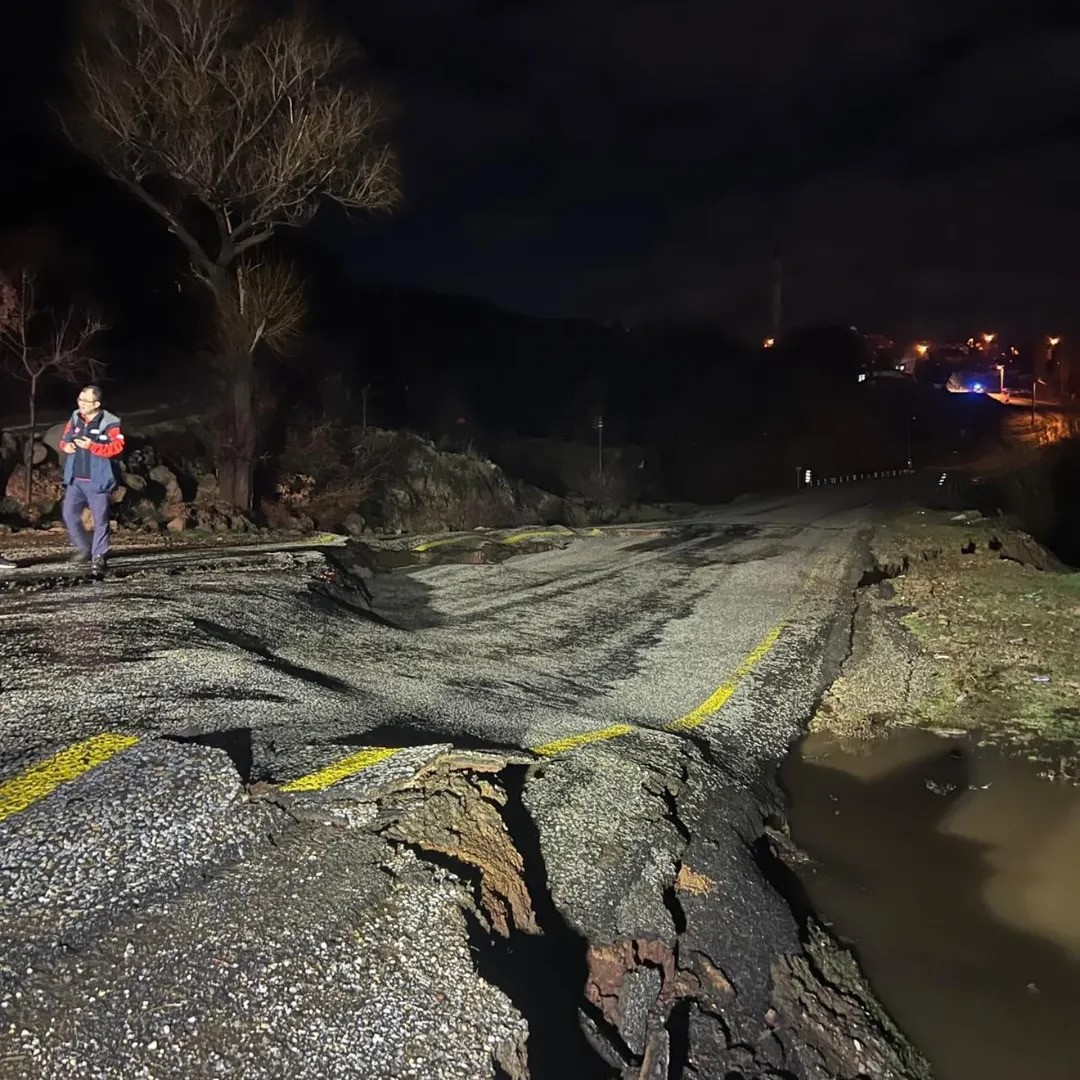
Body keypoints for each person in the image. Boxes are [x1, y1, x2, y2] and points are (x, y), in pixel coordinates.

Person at [59, 386, 125, 574]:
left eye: (85, 401)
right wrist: (66, 446)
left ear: (96, 404)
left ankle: (99, 556)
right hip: (75, 479)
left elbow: (117, 447)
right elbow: (64, 439)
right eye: (79, 400)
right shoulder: (75, 417)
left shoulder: (110, 422)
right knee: (69, 514)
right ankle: (84, 548)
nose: (81, 404)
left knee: (100, 520)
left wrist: (92, 446)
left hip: (98, 481)